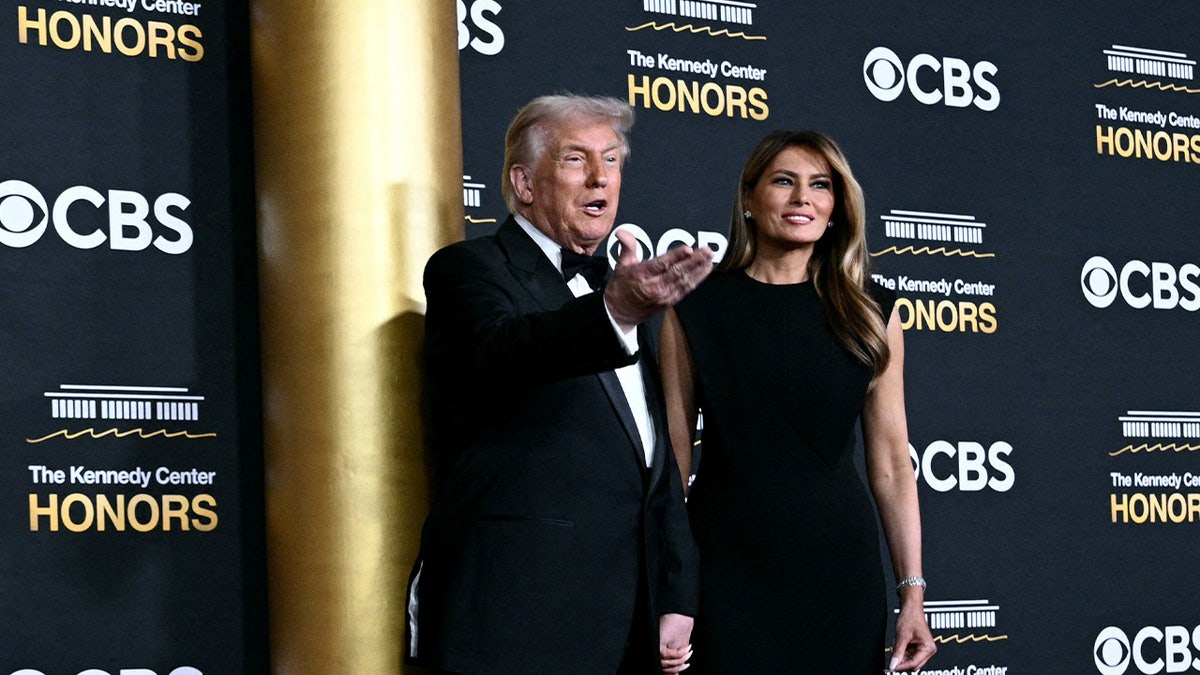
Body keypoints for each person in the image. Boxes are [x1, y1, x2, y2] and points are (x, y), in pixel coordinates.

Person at [406, 94, 714, 675]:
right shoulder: (469, 269)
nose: (601, 176)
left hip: (628, 620)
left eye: (613, 159)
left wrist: (676, 590)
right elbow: (503, 354)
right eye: (576, 159)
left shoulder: (623, 287)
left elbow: (654, 459)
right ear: (524, 183)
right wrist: (613, 313)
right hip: (515, 616)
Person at [658, 130, 937, 673]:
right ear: (748, 197)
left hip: (838, 568)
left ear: (835, 207)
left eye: (819, 185)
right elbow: (673, 460)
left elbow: (892, 467)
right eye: (783, 181)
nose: (802, 198)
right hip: (725, 564)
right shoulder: (695, 306)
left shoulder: (871, 312)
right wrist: (672, 588)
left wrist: (913, 594)